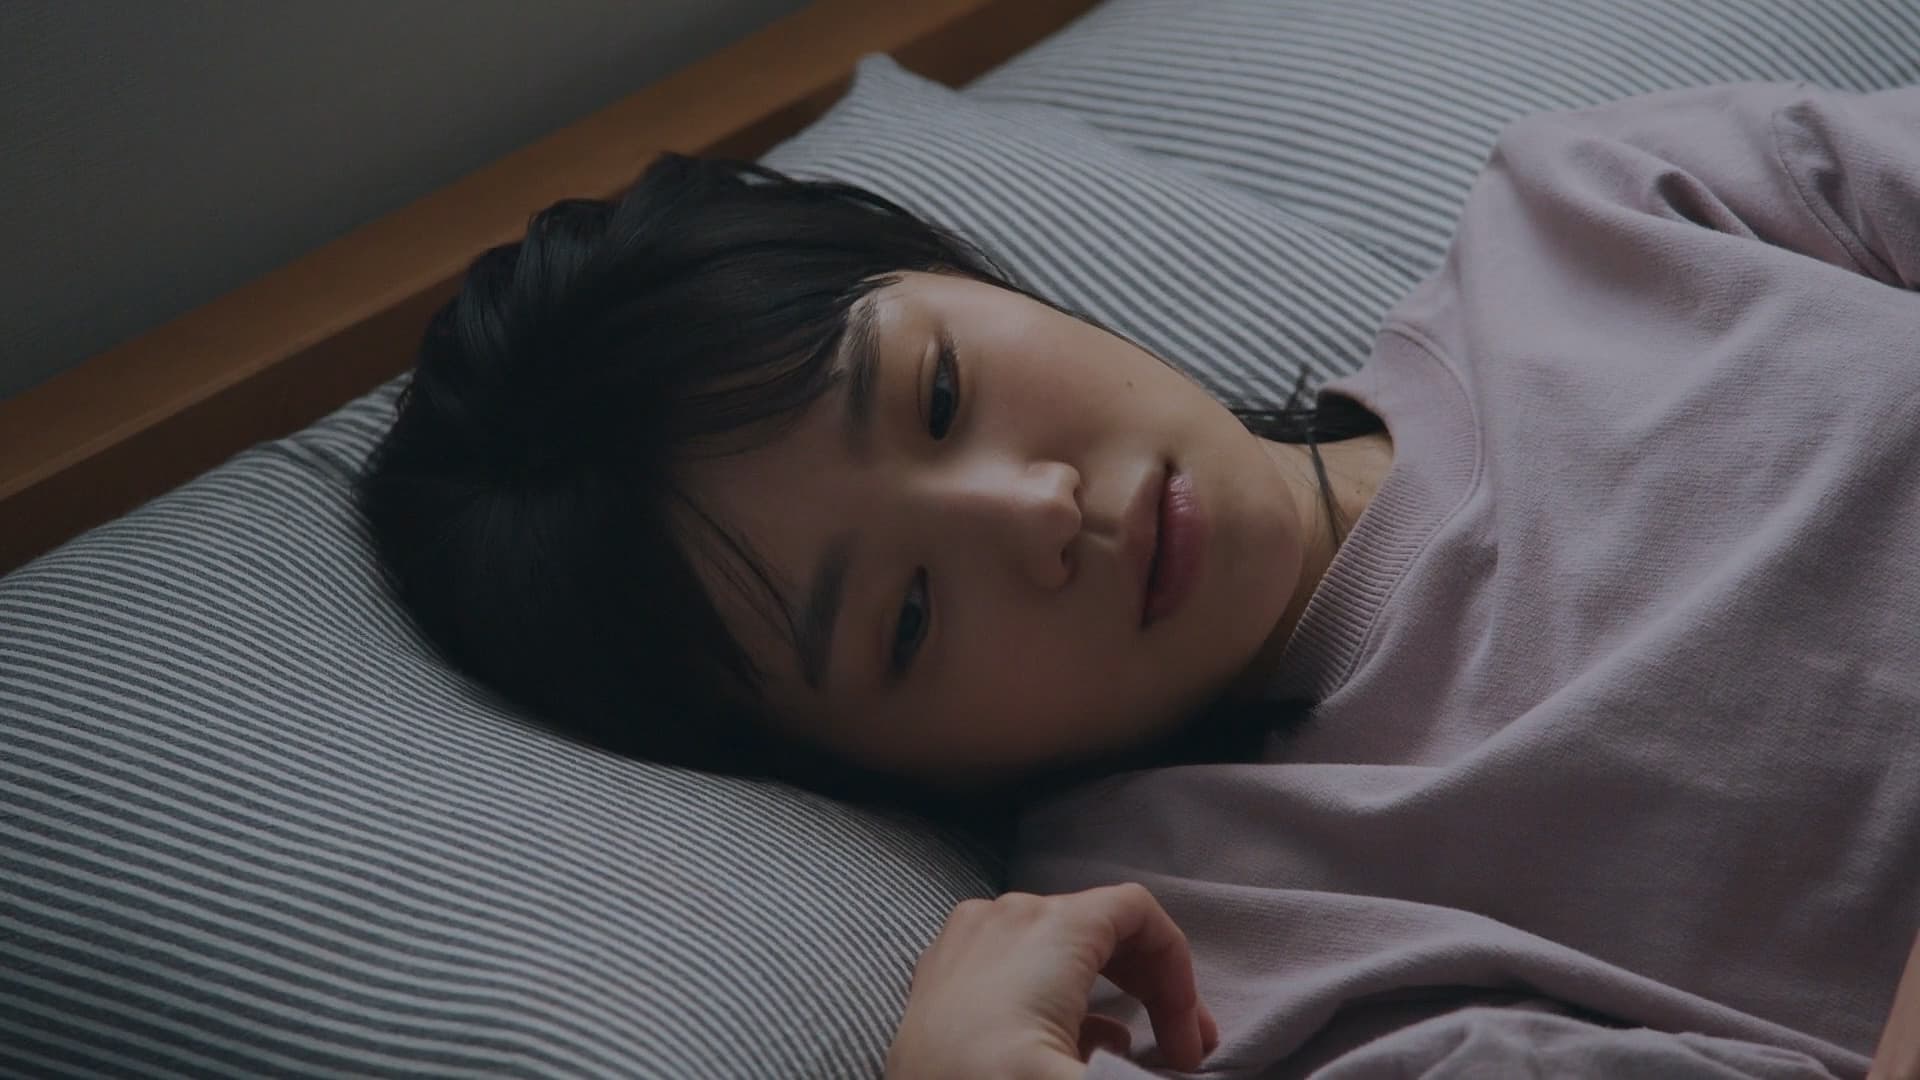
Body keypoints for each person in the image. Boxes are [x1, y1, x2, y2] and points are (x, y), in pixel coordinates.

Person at [357, 80, 1920, 1078]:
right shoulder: (1207, 951)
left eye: (939, 393)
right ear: (865, 777)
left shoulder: (1590, 216)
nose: (1040, 512)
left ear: (959, 272)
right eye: (908, 619)